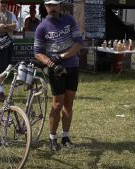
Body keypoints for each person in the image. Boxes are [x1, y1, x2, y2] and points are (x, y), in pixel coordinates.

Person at [34, 0, 83, 151]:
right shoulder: (42, 27)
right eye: (49, 5)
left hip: (72, 66)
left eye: (55, 5)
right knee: (57, 105)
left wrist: (61, 57)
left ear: (60, 6)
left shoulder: (69, 20)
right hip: (55, 69)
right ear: (45, 7)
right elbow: (37, 53)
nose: (52, 8)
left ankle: (65, 137)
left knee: (69, 103)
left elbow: (78, 43)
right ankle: (52, 138)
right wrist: (51, 63)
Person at [0, 0, 19, 102]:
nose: (4, 4)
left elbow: (18, 27)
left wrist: (5, 26)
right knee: (2, 65)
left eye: (5, 2)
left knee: (8, 66)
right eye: (2, 2)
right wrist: (11, 26)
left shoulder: (11, 14)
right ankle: (1, 92)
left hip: (9, 41)